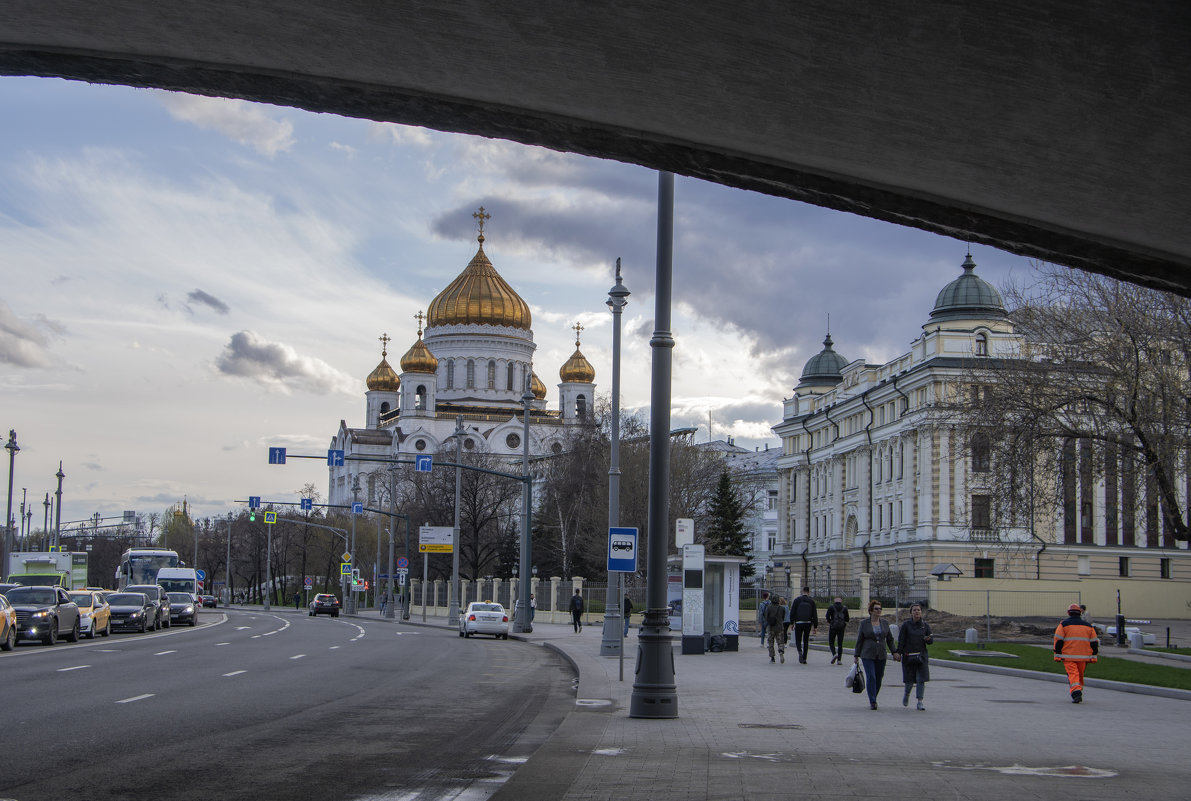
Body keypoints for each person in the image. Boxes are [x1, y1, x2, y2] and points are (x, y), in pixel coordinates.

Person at [853, 600, 895, 710]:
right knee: (871, 676)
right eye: (876, 609)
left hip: (881, 654)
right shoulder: (864, 623)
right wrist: (856, 655)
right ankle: (873, 700)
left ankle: (873, 696)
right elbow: (860, 640)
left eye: (880, 609)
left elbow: (890, 639)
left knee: (879, 677)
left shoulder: (885, 623)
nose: (879, 611)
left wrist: (894, 652)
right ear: (871, 611)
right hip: (867, 654)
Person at [1054, 602, 1099, 703]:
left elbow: (1058, 640)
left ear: (1068, 613)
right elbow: (1094, 642)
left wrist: (1057, 654)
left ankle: (1076, 692)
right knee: (1079, 674)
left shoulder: (1063, 625)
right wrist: (1094, 654)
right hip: (1084, 656)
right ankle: (1078, 690)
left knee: (1073, 674)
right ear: (1080, 613)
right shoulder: (1088, 626)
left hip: (1068, 655)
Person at [897, 602, 933, 710]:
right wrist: (898, 652)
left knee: (920, 679)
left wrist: (929, 639)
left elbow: (931, 640)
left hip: (921, 656)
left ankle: (920, 701)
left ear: (921, 612)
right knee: (909, 680)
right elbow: (901, 640)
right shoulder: (906, 625)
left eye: (918, 610)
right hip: (909, 656)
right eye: (914, 610)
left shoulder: (925, 626)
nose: (917, 612)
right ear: (911, 613)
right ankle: (907, 694)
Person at [790, 586, 819, 664]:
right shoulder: (811, 602)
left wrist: (792, 623)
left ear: (802, 592)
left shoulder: (797, 600)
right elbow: (815, 614)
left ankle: (799, 652)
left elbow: (792, 612)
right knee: (806, 640)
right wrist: (815, 626)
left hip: (798, 622)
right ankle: (804, 657)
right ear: (809, 592)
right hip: (808, 623)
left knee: (798, 640)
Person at [825, 596, 850, 665]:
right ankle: (839, 660)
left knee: (831, 642)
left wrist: (831, 622)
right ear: (841, 601)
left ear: (834, 600)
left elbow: (827, 617)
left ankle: (834, 653)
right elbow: (847, 619)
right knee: (840, 644)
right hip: (841, 628)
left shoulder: (831, 607)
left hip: (833, 627)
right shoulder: (844, 608)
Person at [764, 594, 787, 663]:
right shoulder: (782, 608)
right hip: (779, 627)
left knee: (771, 642)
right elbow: (783, 618)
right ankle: (780, 651)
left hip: (771, 627)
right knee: (780, 642)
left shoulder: (769, 607)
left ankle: (772, 657)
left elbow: (766, 617)